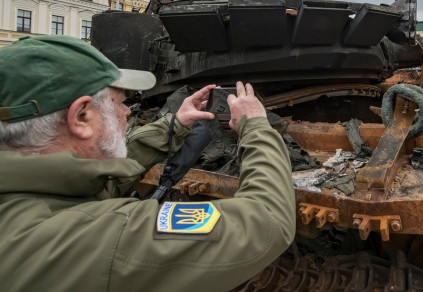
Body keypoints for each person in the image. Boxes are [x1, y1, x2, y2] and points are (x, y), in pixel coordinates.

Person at [0, 36, 296, 291]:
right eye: (118, 102)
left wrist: (175, 125)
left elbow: (100, 181)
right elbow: (266, 220)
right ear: (81, 117)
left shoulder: (31, 199)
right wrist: (255, 125)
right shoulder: (105, 241)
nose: (127, 112)